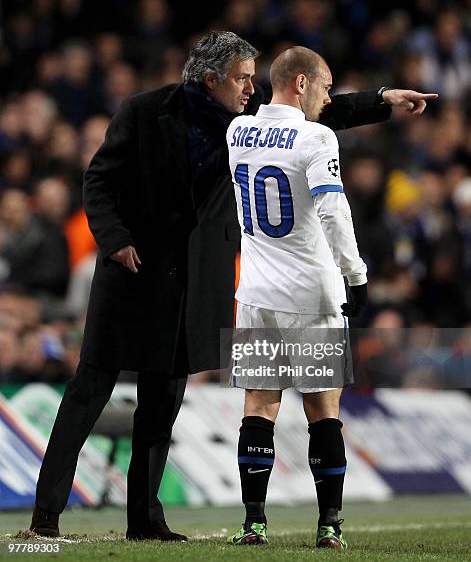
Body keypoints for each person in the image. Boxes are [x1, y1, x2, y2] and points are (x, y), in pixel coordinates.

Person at [28, 31, 437, 541]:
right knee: (88, 393)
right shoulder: (144, 111)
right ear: (211, 78)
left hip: (192, 281)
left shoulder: (246, 123)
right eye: (244, 78)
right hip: (131, 274)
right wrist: (112, 239)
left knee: (162, 406)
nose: (252, 88)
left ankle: (145, 520)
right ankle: (45, 515)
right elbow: (99, 180)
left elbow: (314, 111)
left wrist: (381, 100)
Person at [225, 47, 436, 548]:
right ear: (301, 83)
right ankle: (329, 526)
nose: (327, 98)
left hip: (255, 292)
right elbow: (333, 212)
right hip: (312, 294)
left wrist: (380, 100)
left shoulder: (238, 131)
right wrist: (356, 277)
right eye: (323, 86)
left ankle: (254, 523)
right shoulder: (317, 136)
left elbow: (294, 124)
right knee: (323, 410)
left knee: (258, 405)